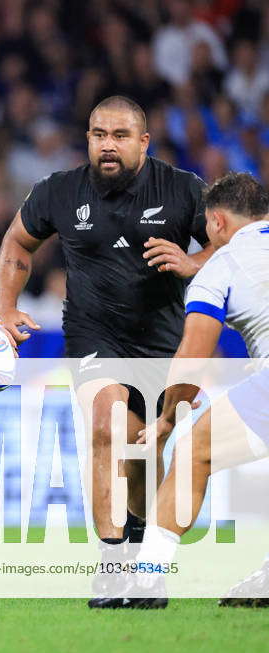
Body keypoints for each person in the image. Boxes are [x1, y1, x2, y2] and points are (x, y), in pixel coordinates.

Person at [0, 95, 214, 602]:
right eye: (98, 135)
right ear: (87, 138)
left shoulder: (182, 190)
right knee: (106, 426)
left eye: (118, 136)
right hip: (94, 336)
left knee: (145, 447)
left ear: (143, 141)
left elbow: (232, 245)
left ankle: (144, 554)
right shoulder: (60, 191)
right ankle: (112, 564)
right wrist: (6, 309)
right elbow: (16, 244)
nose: (107, 146)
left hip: (162, 341)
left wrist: (192, 262)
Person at [91, 172, 269, 608]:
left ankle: (148, 580)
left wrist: (168, 419)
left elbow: (193, 354)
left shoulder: (222, 263)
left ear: (217, 223)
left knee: (193, 452)